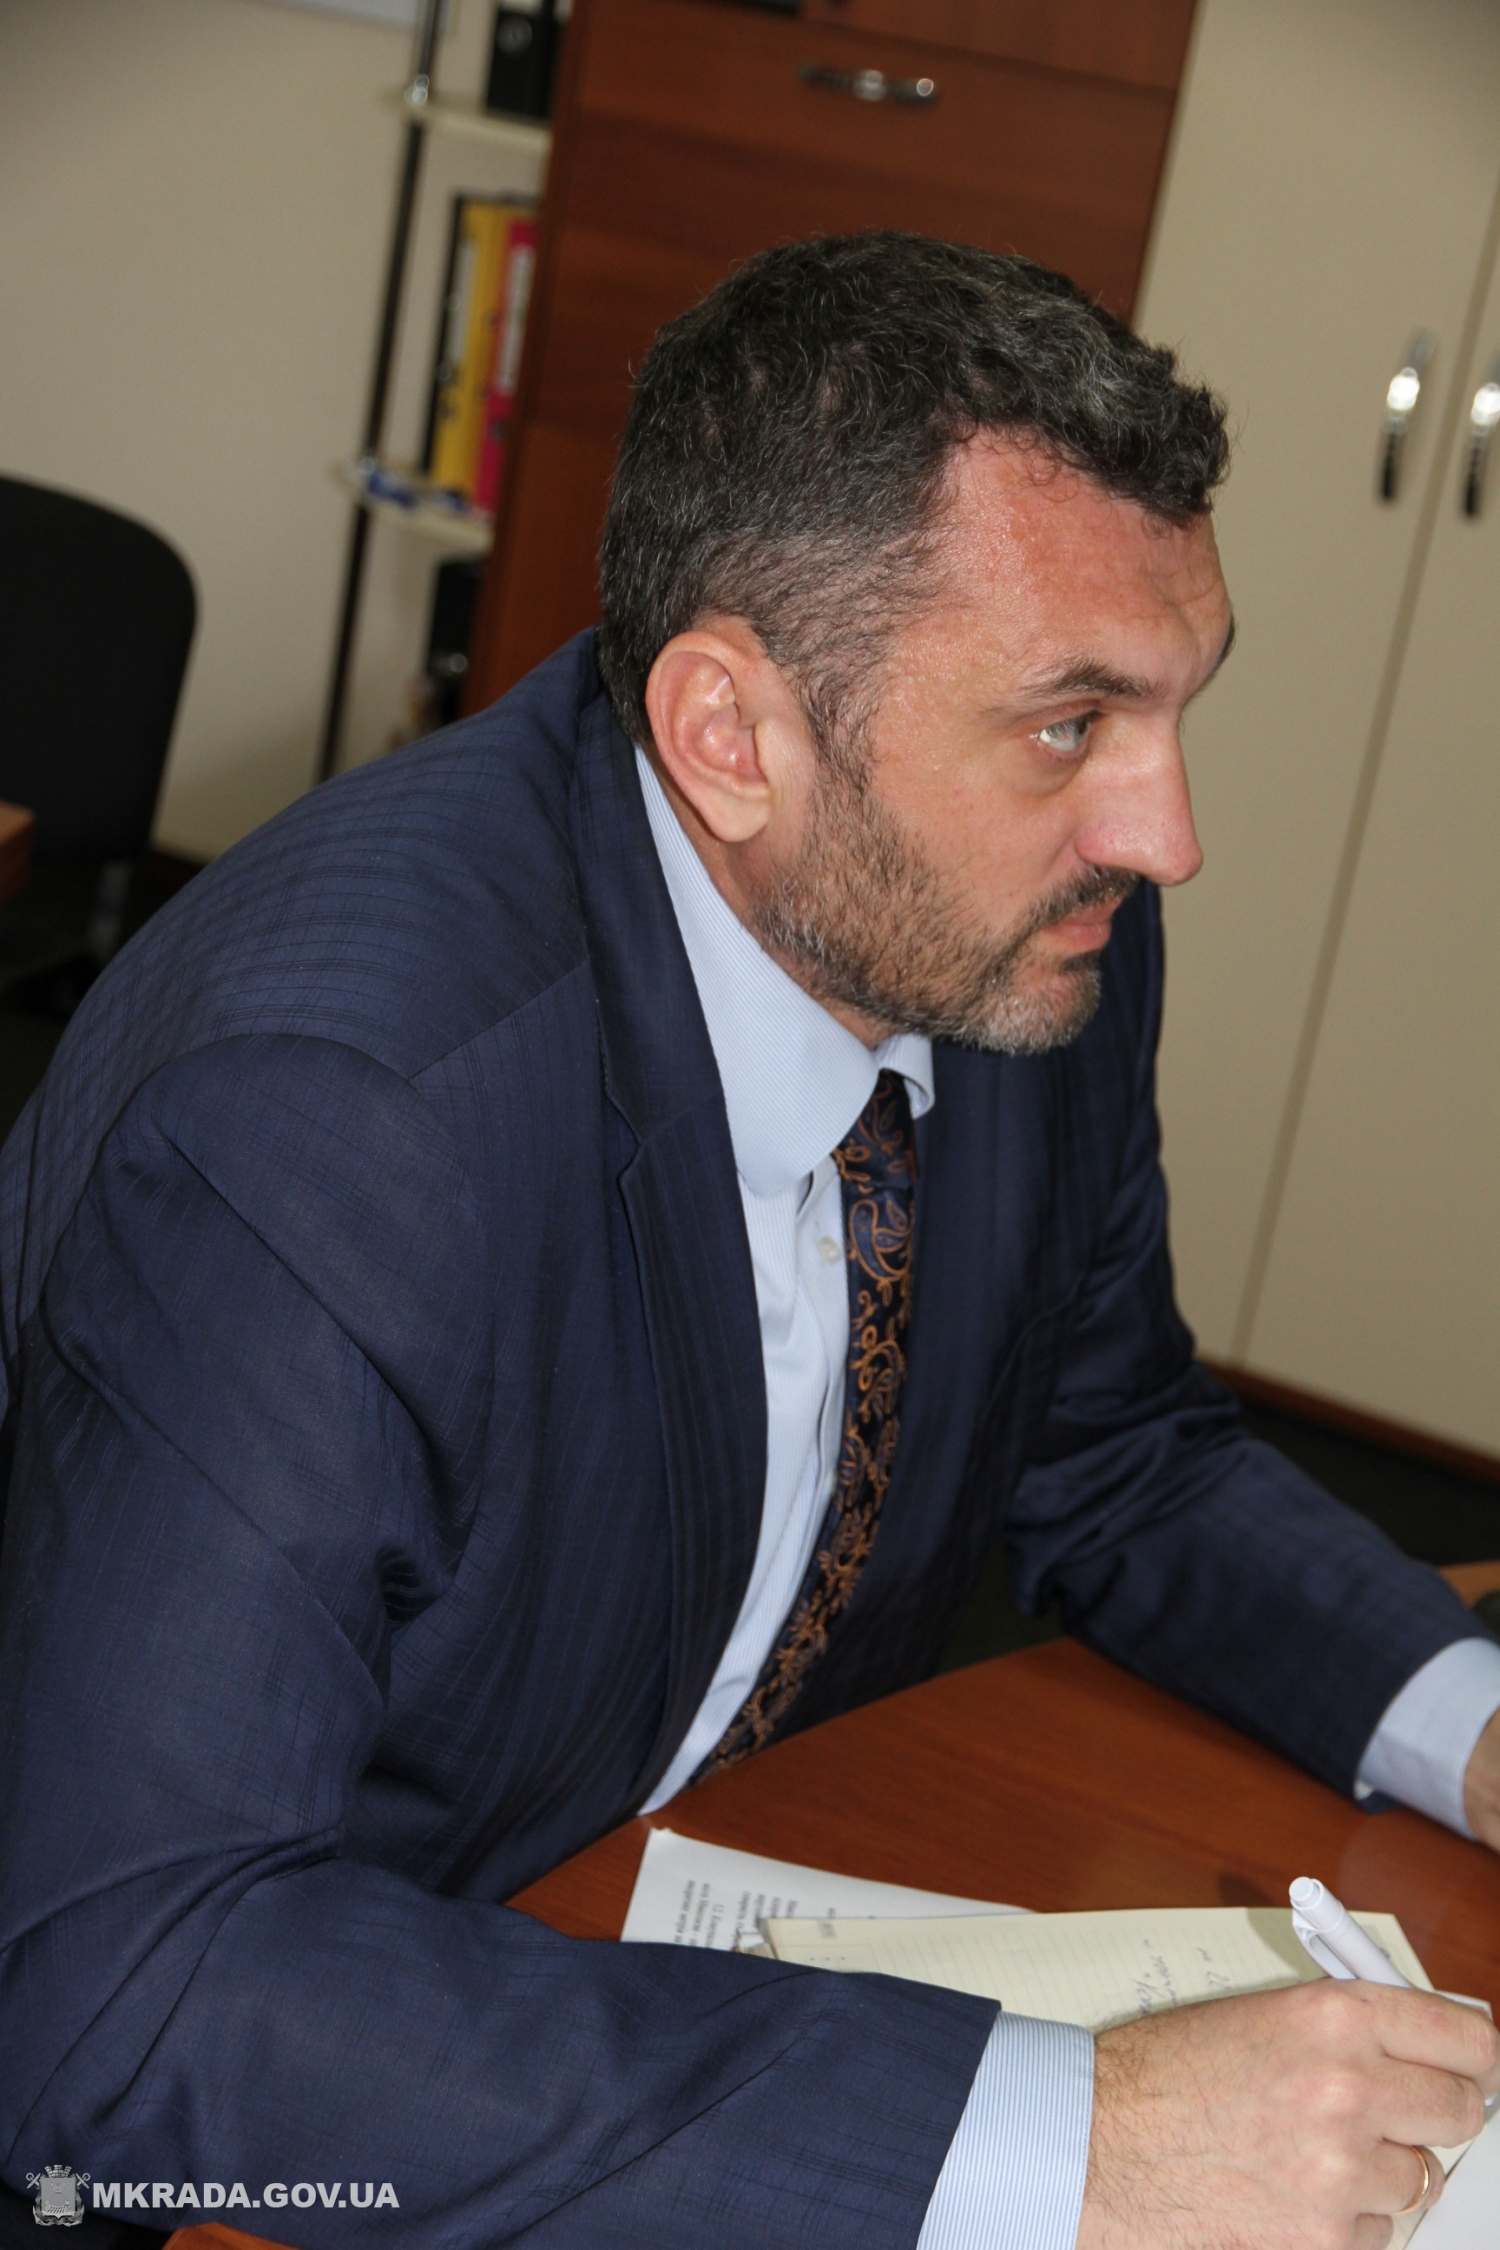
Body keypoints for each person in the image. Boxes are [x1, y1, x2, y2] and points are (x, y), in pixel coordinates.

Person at [0, 233, 1496, 2250]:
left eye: (1173, 706)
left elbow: (1116, 1446)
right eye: (1073, 722)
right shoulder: (337, 1120)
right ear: (730, 734)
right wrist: (1078, 2145)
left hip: (658, 1926)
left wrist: (1475, 1724)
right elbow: (126, 1996)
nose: (1166, 834)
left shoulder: (1007, 927)